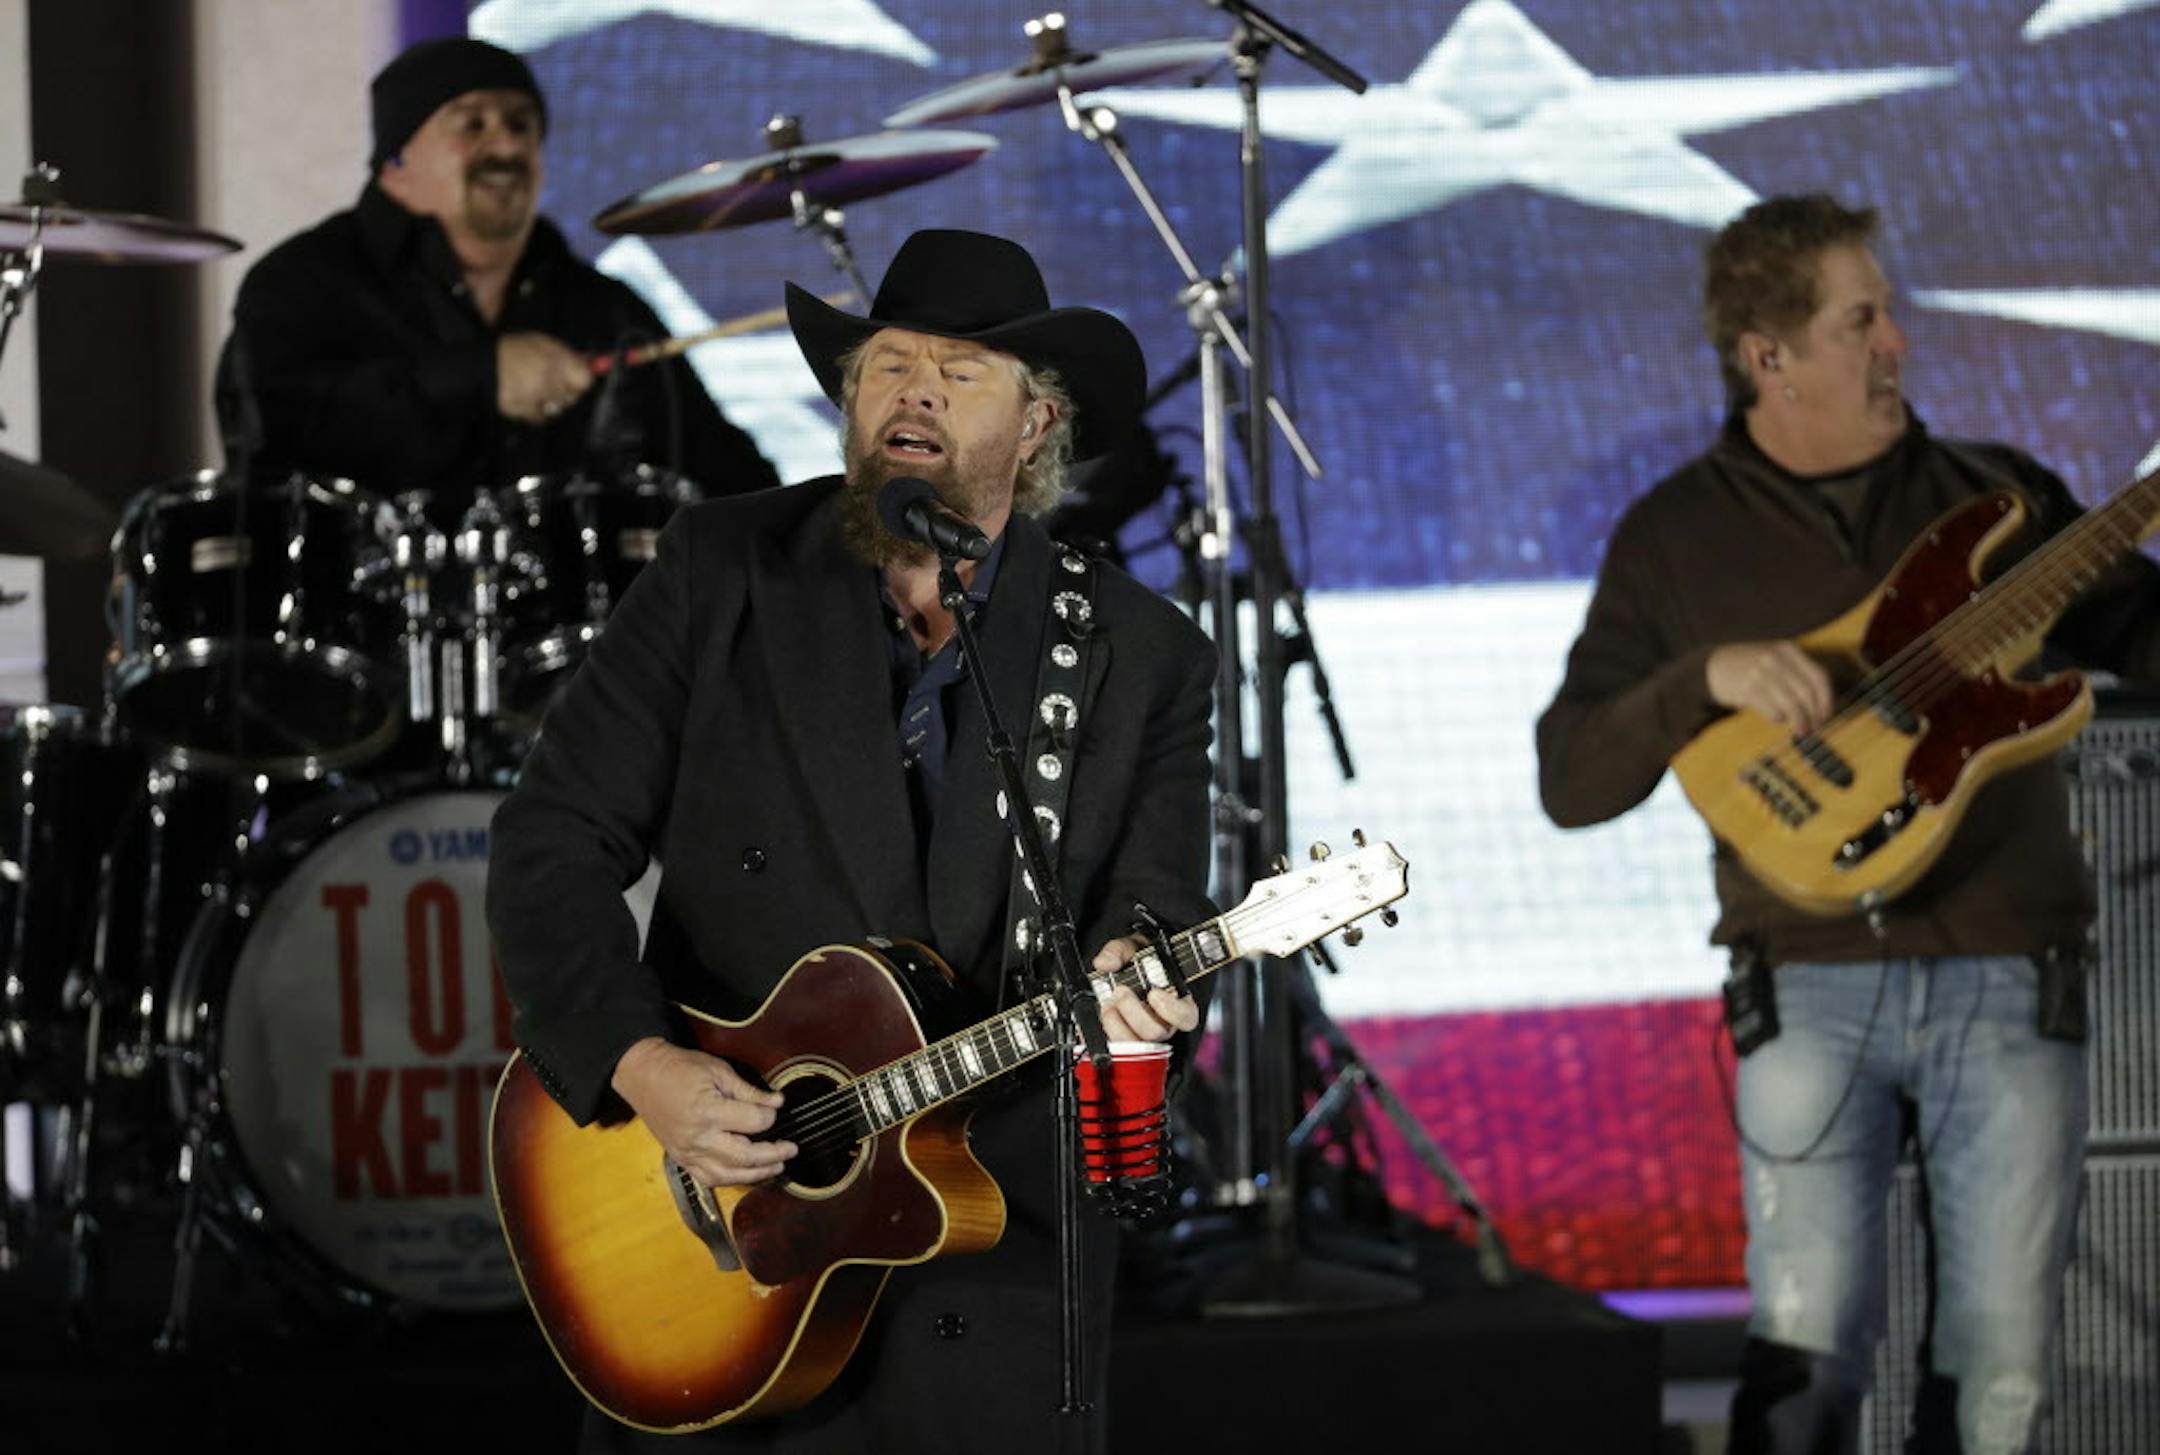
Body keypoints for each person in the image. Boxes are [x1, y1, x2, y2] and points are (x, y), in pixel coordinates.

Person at [486, 228, 1216, 1453]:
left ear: (1036, 428)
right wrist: (639, 1066)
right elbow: (550, 839)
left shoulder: (1142, 654)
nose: (912, 392)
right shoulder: (725, 570)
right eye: (886, 365)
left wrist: (1136, 974)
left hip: (992, 1260)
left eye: (958, 371)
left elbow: (1155, 902)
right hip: (725, 1240)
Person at [1536, 193, 2160, 1455]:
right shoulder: (1675, 538)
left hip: (2007, 971)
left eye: (1887, 313)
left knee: (2000, 1382)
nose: (1896, 344)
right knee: (1805, 1366)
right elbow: (1572, 781)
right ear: (1770, 356)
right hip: (1807, 985)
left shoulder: (2001, 497)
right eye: (1862, 318)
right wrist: (1696, 678)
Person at [217, 36, 779, 510]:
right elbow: (267, 433)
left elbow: (730, 480)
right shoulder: (305, 281)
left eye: (522, 125)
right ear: (396, 161)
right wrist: (481, 378)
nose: (507, 144)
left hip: (572, 636)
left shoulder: (601, 309)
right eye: (473, 125)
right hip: (359, 624)